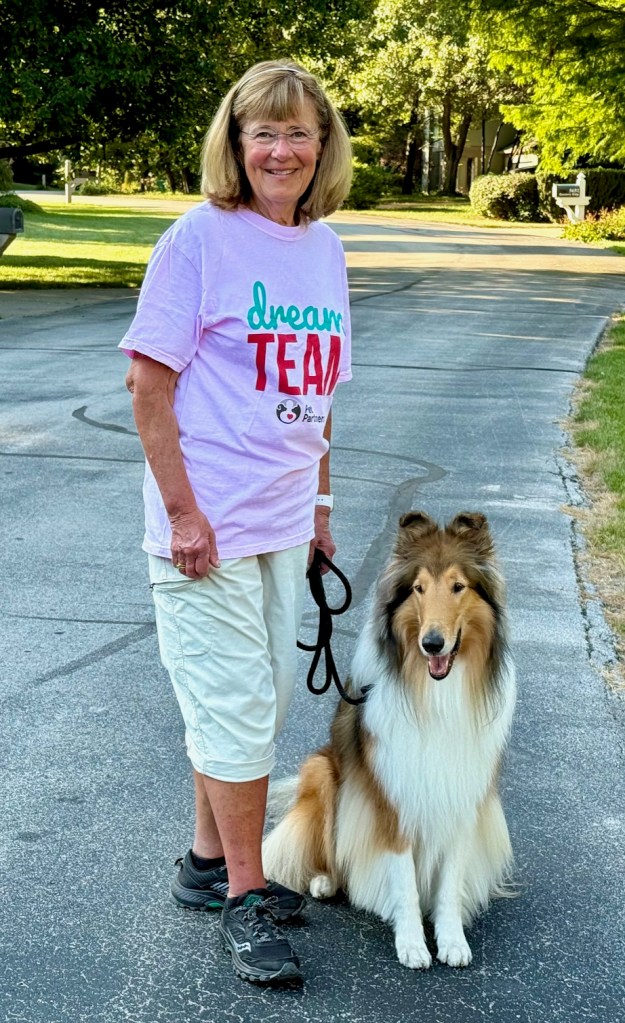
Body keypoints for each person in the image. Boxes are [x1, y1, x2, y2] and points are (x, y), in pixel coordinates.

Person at [119, 59, 353, 985]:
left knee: (250, 701)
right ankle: (245, 896)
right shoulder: (198, 239)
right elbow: (147, 383)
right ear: (236, 142)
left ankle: (206, 861)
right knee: (238, 707)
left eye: (299, 133)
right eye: (264, 132)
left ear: (323, 147)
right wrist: (182, 514)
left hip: (283, 520)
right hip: (207, 525)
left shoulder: (324, 249)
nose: (281, 150)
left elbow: (319, 393)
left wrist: (320, 505)